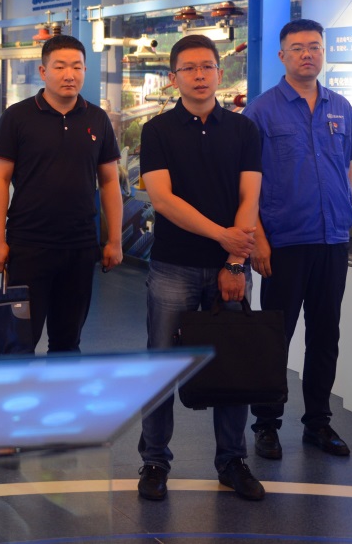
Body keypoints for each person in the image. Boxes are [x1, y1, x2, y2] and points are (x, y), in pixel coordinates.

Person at [136, 33, 265, 502]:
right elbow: (163, 199)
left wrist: (235, 260)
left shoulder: (244, 130)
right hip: (174, 266)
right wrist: (222, 236)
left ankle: (232, 461)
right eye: (188, 68)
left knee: (233, 364)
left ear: (219, 72)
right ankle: (155, 461)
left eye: (207, 66)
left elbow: (250, 197)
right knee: (162, 364)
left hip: (230, 268)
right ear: (173, 78)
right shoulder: (157, 131)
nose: (199, 75)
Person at [246, 19, 352, 460]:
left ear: (323, 52)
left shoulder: (341, 107)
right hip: (284, 242)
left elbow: (347, 167)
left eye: (314, 47)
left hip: (332, 240)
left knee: (325, 334)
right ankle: (266, 424)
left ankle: (318, 422)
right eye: (297, 48)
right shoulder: (260, 112)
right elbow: (247, 184)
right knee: (274, 337)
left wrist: (344, 214)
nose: (307, 54)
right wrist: (258, 239)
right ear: (282, 56)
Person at [0, 33, 123, 352]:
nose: (69, 74)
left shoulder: (97, 119)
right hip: (28, 245)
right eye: (60, 66)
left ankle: (62, 387)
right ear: (43, 71)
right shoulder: (16, 117)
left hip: (80, 247)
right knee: (20, 341)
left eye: (77, 66)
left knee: (68, 341)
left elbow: (109, 182)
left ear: (85, 70)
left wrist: (115, 240)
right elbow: (0, 181)